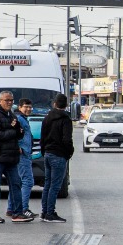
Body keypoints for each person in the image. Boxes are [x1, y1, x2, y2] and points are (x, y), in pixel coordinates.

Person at [0, 90, 29, 223]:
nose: (9, 102)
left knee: (16, 184)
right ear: (0, 101)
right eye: (7, 100)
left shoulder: (12, 114)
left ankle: (17, 213)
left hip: (11, 156)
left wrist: (17, 131)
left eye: (11, 100)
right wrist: (12, 130)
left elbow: (19, 133)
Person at [39, 92, 74, 223]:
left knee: (47, 184)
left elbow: (42, 138)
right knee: (55, 186)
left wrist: (44, 151)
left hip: (47, 153)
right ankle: (50, 213)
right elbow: (67, 139)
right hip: (59, 155)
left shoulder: (47, 118)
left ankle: (44, 212)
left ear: (54, 104)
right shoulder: (65, 119)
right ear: (66, 105)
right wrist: (69, 153)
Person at [7, 97, 38, 220]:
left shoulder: (22, 119)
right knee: (27, 181)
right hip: (22, 154)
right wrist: (17, 147)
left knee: (17, 182)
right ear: (19, 108)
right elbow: (12, 134)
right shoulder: (19, 119)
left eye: (30, 107)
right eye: (26, 107)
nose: (28, 109)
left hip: (25, 153)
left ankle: (11, 208)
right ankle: (23, 208)